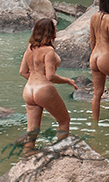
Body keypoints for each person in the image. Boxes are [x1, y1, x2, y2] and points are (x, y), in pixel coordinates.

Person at [19, 17, 78, 155]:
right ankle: (61, 152)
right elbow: (50, 76)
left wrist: (35, 81)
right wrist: (67, 80)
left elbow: (22, 71)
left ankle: (27, 153)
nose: (56, 30)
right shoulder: (49, 51)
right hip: (43, 89)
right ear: (49, 31)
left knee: (32, 127)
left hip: (28, 89)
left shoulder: (30, 47)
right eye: (54, 27)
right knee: (64, 121)